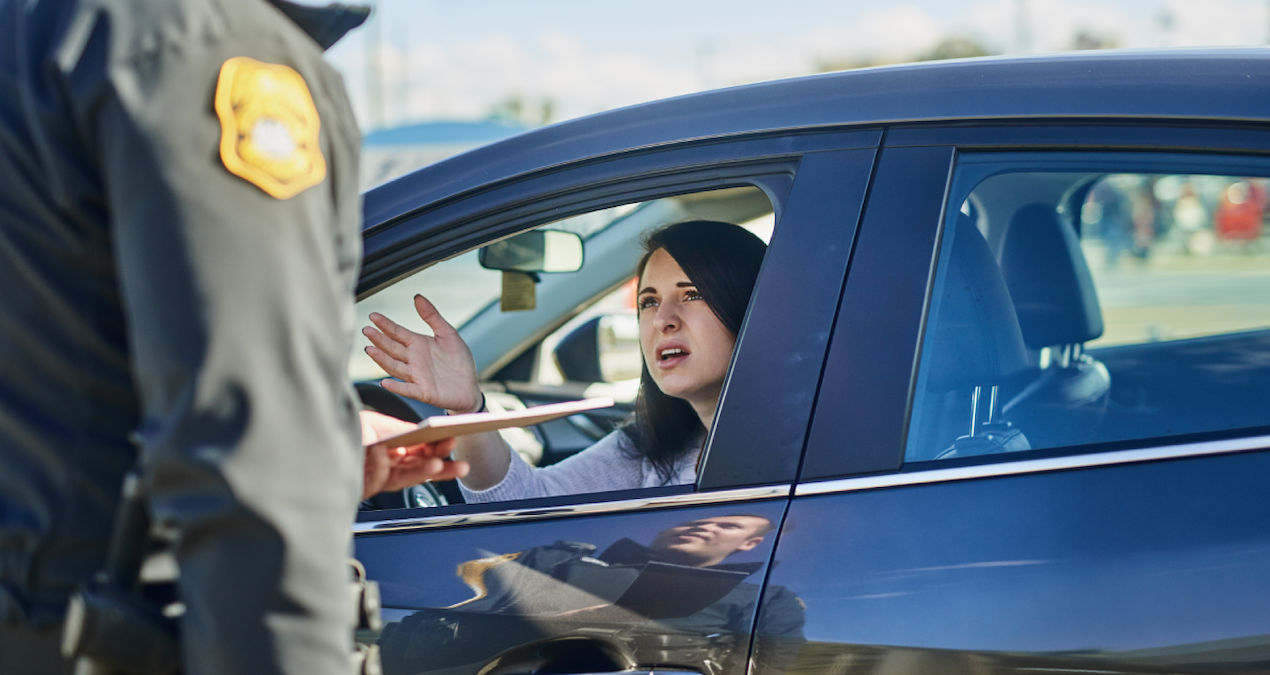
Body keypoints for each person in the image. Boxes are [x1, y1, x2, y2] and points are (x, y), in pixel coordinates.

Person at [0, 1, 463, 674]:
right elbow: (250, 455)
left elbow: (65, 378)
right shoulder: (212, 43)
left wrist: (324, 436)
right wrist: (296, 439)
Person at [362, 220, 767, 503]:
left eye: (692, 294)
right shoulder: (651, 446)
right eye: (648, 301)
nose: (663, 320)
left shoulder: (807, 451)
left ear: (746, 303)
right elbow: (524, 506)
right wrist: (469, 408)